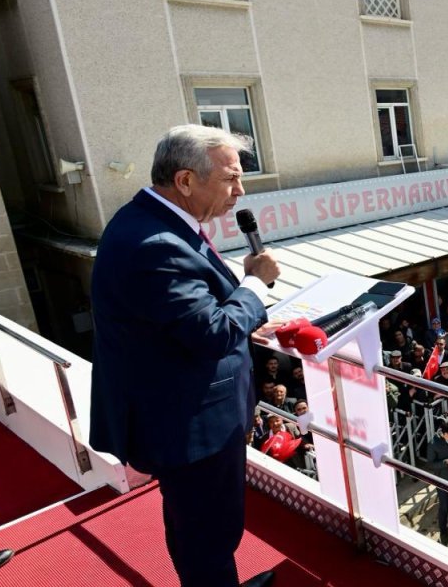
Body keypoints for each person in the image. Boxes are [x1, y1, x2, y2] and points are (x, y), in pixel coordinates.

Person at [89, 125, 279, 587]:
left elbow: (179, 321)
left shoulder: (157, 222)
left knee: (200, 528)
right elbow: (211, 334)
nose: (240, 190)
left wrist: (247, 323)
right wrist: (255, 284)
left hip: (185, 413)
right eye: (231, 178)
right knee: (207, 533)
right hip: (188, 425)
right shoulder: (156, 244)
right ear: (186, 180)